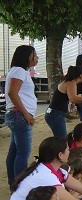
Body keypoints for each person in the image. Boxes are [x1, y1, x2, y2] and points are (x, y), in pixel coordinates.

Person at [5, 45, 38, 186]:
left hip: (16, 116)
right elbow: (13, 93)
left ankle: (14, 183)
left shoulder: (18, 71)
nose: (36, 58)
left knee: (14, 151)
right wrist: (26, 114)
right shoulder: (19, 71)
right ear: (27, 56)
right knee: (23, 152)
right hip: (19, 116)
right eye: (34, 55)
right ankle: (20, 185)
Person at [45, 66, 82, 138]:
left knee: (60, 139)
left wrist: (78, 97)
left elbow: (71, 98)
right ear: (81, 75)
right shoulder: (71, 83)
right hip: (56, 114)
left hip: (54, 113)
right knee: (62, 140)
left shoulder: (69, 82)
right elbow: (73, 99)